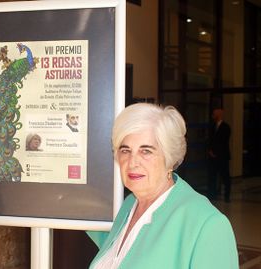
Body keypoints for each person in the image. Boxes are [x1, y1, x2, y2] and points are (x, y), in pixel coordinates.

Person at [87, 103, 238, 269]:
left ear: (170, 158)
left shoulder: (208, 225)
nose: (132, 162)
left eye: (146, 151)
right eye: (125, 150)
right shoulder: (129, 205)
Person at [207, 108, 231, 202]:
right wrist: (210, 151)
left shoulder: (226, 127)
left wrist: (216, 152)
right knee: (212, 176)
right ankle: (212, 195)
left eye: (214, 114)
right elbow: (210, 140)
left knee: (225, 176)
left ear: (219, 115)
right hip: (212, 157)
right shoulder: (212, 126)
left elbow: (223, 142)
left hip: (222, 157)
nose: (213, 116)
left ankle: (227, 196)